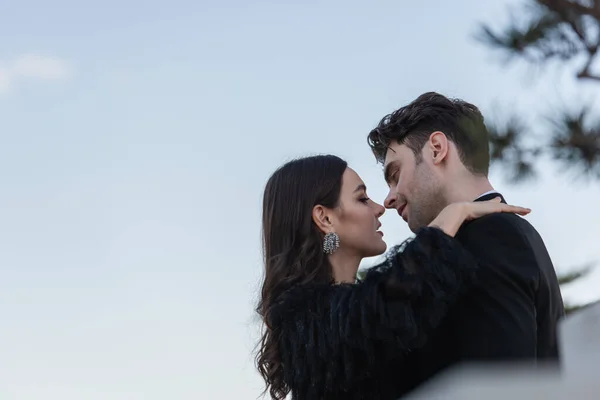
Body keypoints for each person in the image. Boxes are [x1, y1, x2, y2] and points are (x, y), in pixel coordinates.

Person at [255, 154, 530, 400]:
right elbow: (382, 308)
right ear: (325, 219)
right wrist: (454, 214)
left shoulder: (358, 306)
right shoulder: (296, 315)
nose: (379, 208)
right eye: (362, 199)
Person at [367, 92, 565, 393]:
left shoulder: (490, 235)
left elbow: (500, 388)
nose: (389, 198)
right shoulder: (494, 234)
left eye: (395, 174)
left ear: (436, 148)